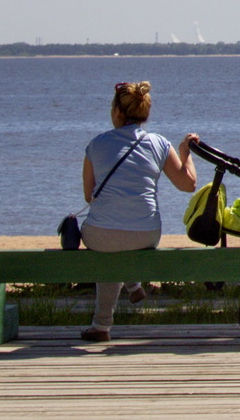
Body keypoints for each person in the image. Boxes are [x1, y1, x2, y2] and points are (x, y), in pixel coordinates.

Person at [78, 81, 199, 342]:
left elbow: (89, 196)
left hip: (101, 236)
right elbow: (188, 185)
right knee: (121, 240)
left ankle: (102, 324)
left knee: (108, 244)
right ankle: (129, 287)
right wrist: (185, 152)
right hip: (146, 233)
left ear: (118, 113)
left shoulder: (96, 144)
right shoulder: (159, 144)